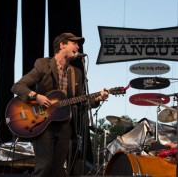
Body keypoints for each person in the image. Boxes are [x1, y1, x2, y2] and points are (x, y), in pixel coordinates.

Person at [11, 32, 109, 177]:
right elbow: (18, 86)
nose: (78, 46)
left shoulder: (76, 73)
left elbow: (80, 100)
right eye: (74, 42)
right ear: (62, 45)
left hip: (64, 125)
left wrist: (97, 99)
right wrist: (36, 96)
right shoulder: (43, 64)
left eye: (78, 44)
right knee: (44, 166)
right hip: (42, 122)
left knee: (57, 169)